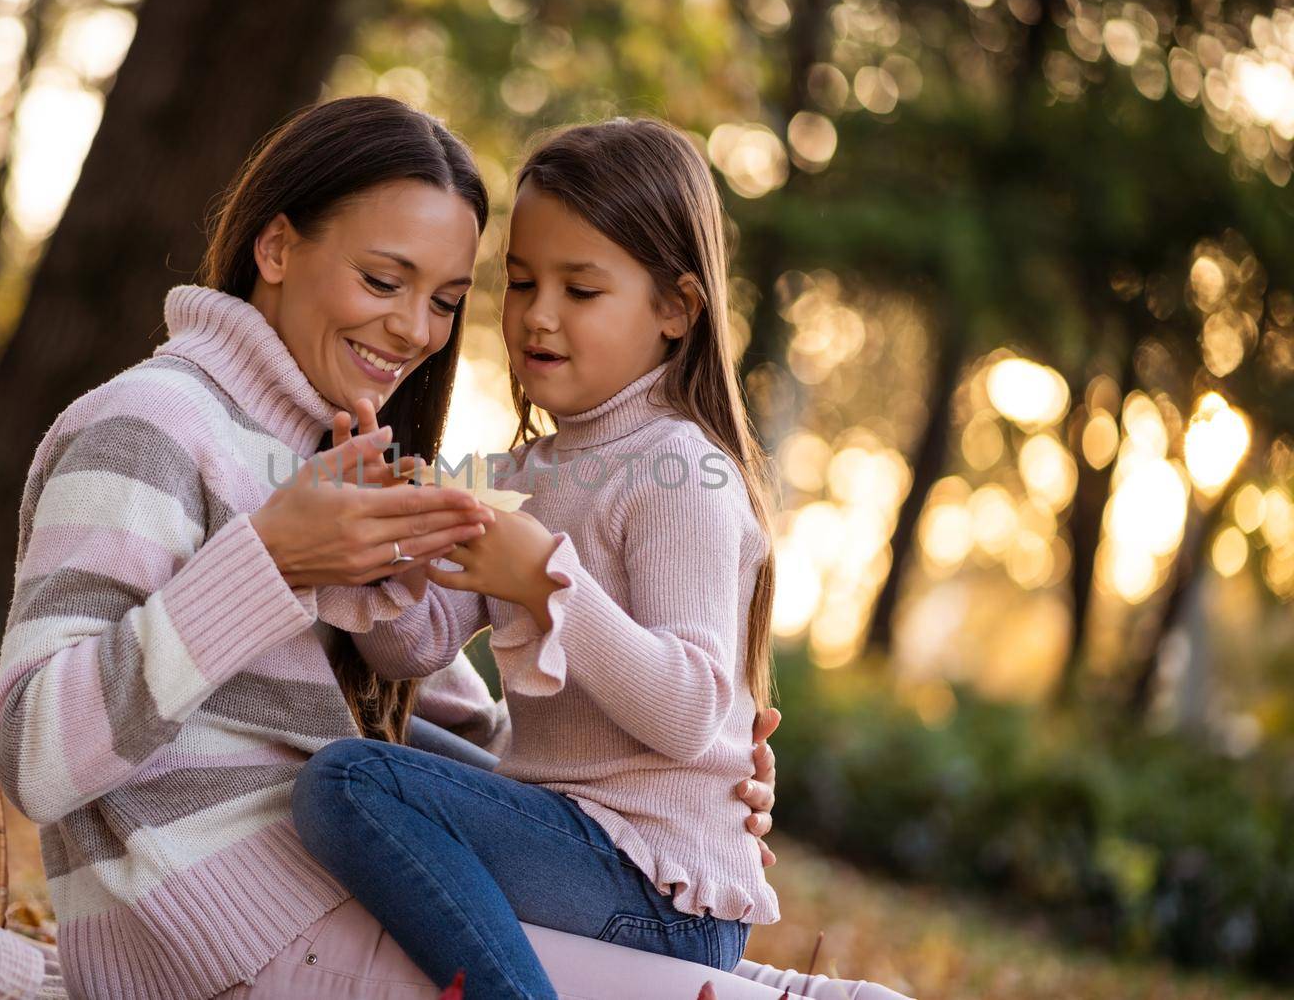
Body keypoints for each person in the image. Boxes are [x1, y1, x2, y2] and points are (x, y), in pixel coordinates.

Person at [0, 96, 784, 1000]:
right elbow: (36, 756)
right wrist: (292, 564)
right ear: (278, 246)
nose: (414, 329)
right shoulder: (154, 424)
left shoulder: (344, 455)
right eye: (382, 280)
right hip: (242, 931)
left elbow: (449, 715)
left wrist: (694, 800)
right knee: (354, 782)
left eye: (446, 300)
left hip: (357, 893)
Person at [292, 118, 911, 1000]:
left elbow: (693, 708)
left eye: (581, 290)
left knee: (348, 782)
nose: (537, 316)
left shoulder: (682, 470)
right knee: (360, 741)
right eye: (519, 282)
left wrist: (545, 584)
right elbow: (412, 653)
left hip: (653, 884)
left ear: (674, 310)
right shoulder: (521, 470)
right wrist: (378, 548)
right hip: (575, 837)